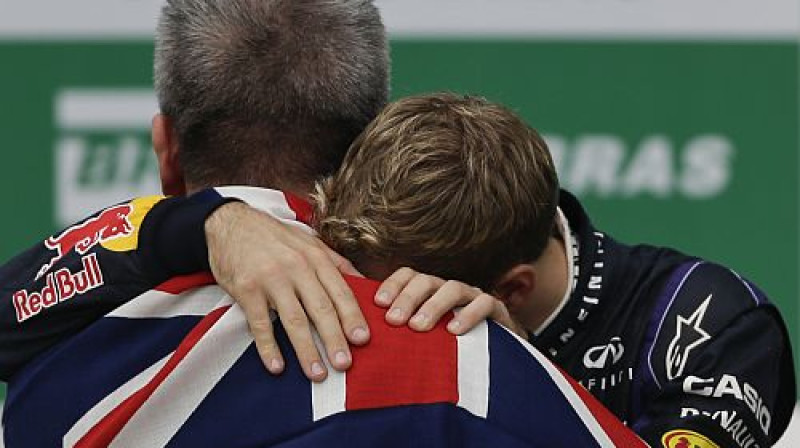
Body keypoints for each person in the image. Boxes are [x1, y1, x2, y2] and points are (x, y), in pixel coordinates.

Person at [0, 1, 643, 446]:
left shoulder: (55, 363)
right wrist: (529, 369)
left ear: (166, 150)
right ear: (375, 147)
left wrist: (201, 223)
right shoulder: (465, 364)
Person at [311, 93, 797, 447]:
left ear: (512, 289)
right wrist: (232, 225)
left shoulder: (712, 324)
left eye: (397, 301)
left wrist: (520, 371)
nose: (367, 320)